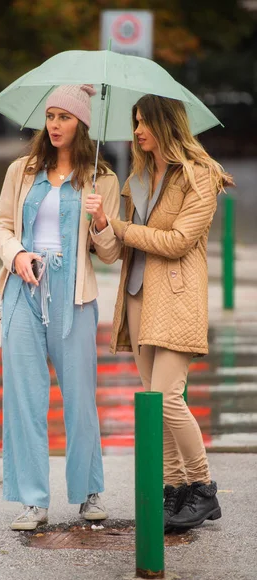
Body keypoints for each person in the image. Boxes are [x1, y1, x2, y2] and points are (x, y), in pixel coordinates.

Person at [0, 84, 121, 530]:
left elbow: (108, 254)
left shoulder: (102, 178)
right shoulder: (21, 171)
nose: (54, 125)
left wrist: (102, 220)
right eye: (50, 116)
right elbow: (1, 227)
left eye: (64, 117)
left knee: (80, 399)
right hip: (23, 288)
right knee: (25, 398)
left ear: (82, 124)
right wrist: (18, 255)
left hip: (74, 293)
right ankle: (33, 501)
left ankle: (88, 493)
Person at [107, 94, 234, 532]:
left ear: (167, 124)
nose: (138, 130)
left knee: (166, 398)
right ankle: (175, 491)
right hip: (139, 293)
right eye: (135, 122)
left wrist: (124, 229)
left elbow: (178, 240)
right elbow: (124, 245)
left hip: (177, 296)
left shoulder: (200, 176)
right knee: (151, 402)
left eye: (145, 123)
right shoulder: (139, 177)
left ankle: (202, 487)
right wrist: (102, 227)